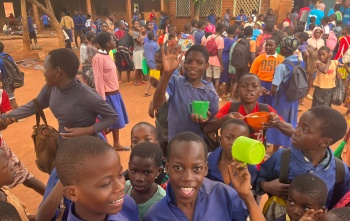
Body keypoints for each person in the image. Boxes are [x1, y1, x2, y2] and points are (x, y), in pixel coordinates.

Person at [257, 106, 350, 209]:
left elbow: (338, 204)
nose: (296, 131)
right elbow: (257, 178)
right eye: (298, 125)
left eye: (305, 130)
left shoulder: (340, 171)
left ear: (325, 142)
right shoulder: (282, 157)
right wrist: (265, 186)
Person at [143, 132, 249, 221]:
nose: (188, 177)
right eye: (178, 168)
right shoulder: (155, 216)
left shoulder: (223, 194)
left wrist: (247, 196)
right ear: (168, 168)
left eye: (197, 169)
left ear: (205, 169)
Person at [44, 136, 139, 221]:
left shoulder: (127, 204)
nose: (121, 186)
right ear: (72, 193)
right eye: (106, 183)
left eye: (120, 175)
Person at [203, 74, 294, 146]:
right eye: (244, 86)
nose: (249, 89)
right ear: (238, 90)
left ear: (260, 91)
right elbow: (207, 129)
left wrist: (278, 123)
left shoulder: (266, 110)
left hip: (255, 159)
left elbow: (291, 132)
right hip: (231, 158)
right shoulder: (230, 107)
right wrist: (225, 119)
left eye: (254, 86)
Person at [153, 45, 219, 140]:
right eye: (188, 62)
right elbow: (158, 102)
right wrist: (166, 74)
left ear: (206, 65)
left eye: (199, 63)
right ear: (183, 63)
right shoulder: (175, 82)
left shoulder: (210, 94)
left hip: (197, 148)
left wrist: (204, 121)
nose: (193, 65)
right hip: (175, 145)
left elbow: (210, 127)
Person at [92, 32, 129, 151]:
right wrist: (102, 100)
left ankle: (116, 143)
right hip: (107, 95)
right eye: (113, 40)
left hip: (115, 93)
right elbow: (98, 80)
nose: (115, 42)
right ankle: (97, 143)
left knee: (116, 120)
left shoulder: (109, 54)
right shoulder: (98, 58)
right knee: (106, 123)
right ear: (108, 44)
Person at [267, 37, 302, 152]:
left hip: (281, 100)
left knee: (278, 123)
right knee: (290, 122)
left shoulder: (282, 66)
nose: (279, 49)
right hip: (294, 99)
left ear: (285, 49)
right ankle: (287, 150)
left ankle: (275, 151)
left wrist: (268, 93)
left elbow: (274, 88)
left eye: (280, 47)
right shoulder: (300, 63)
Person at [207, 119, 258, 189]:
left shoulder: (251, 168)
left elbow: (253, 196)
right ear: (219, 139)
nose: (234, 143)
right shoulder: (206, 161)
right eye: (229, 137)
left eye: (240, 140)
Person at [125, 142, 165, 220]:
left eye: (147, 172)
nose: (139, 178)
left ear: (158, 171)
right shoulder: (123, 189)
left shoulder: (162, 201)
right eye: (134, 170)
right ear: (129, 167)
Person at [250, 37, 284, 106]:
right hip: (260, 83)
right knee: (258, 104)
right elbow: (252, 74)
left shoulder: (281, 59)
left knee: (271, 106)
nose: (267, 47)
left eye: (270, 45)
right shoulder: (259, 58)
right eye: (266, 45)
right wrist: (259, 86)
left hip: (274, 85)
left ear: (276, 46)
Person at [0, 148, 32, 221]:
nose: (12, 166)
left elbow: (22, 215)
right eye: (6, 165)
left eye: (9, 161)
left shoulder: (5, 190)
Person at [205, 23, 225, 94]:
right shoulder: (220, 39)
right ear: (222, 29)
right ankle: (215, 94)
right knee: (217, 78)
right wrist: (221, 64)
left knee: (209, 78)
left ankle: (207, 93)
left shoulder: (209, 37)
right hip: (216, 61)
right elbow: (219, 52)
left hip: (208, 60)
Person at [0, 42, 20, 109]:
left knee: (11, 100)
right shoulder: (7, 56)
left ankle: (19, 117)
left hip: (5, 81)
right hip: (12, 79)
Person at [115, 20, 134, 85]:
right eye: (123, 25)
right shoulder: (127, 34)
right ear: (121, 26)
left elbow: (114, 42)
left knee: (119, 64)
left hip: (118, 51)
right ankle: (128, 80)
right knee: (127, 63)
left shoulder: (116, 33)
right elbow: (131, 42)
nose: (125, 26)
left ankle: (120, 79)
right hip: (125, 51)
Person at [220, 26, 237, 98]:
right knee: (227, 76)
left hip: (221, 56)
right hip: (228, 58)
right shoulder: (234, 41)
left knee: (220, 75)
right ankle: (225, 92)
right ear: (234, 33)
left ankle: (217, 90)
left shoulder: (223, 39)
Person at [144, 32, 159, 96]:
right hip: (154, 62)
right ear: (153, 37)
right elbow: (158, 54)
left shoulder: (145, 44)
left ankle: (147, 90)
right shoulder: (155, 45)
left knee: (153, 76)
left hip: (148, 62)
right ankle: (148, 90)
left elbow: (144, 53)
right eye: (155, 36)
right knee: (155, 76)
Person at [132, 20, 145, 86]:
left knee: (141, 66)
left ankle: (140, 79)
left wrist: (142, 41)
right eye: (135, 24)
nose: (137, 25)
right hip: (137, 51)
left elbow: (143, 41)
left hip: (141, 50)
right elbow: (139, 41)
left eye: (138, 24)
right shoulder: (134, 33)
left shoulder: (139, 32)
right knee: (137, 67)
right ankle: (136, 80)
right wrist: (140, 32)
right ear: (133, 25)